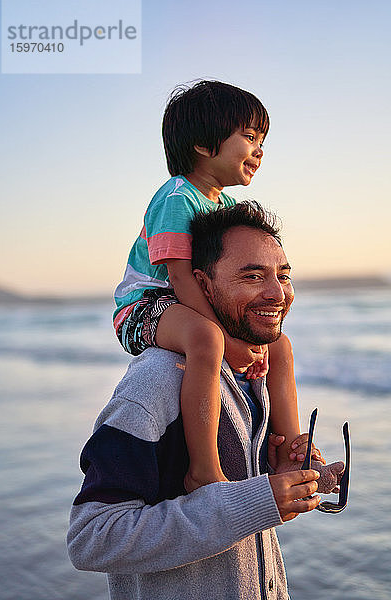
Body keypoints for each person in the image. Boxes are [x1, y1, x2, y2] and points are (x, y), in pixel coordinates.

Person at [68, 202, 343, 600]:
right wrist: (253, 502)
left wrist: (281, 472)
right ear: (202, 283)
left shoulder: (253, 375)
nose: (277, 293)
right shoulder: (159, 382)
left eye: (283, 276)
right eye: (252, 276)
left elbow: (236, 511)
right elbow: (92, 537)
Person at [113, 80, 314, 493]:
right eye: (250, 137)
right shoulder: (176, 198)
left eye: (262, 140)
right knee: (206, 340)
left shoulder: (225, 207)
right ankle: (204, 468)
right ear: (205, 145)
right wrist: (228, 339)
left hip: (188, 303)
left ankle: (292, 449)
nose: (260, 150)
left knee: (280, 346)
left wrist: (253, 343)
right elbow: (181, 276)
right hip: (145, 305)